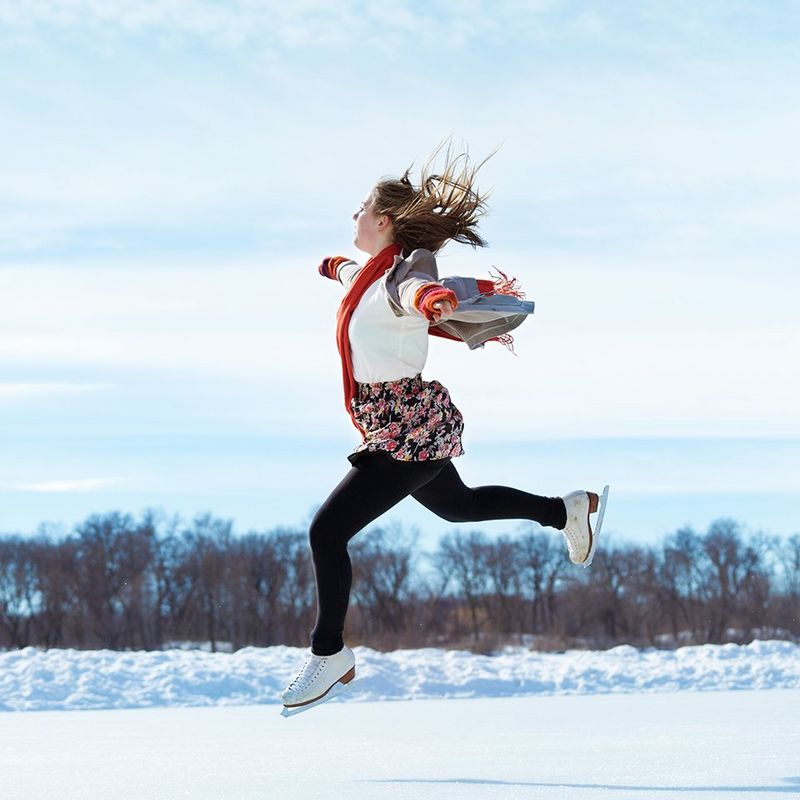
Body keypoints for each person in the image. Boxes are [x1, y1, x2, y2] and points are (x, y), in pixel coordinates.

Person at [280, 142, 608, 713]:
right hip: (398, 428)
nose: (352, 217)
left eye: (360, 208)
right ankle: (564, 510)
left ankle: (328, 652)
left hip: (409, 428)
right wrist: (332, 266)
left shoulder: (401, 280)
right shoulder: (367, 276)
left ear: (382, 221)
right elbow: (355, 276)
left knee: (327, 533)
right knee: (460, 507)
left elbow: (413, 291)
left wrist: (433, 299)